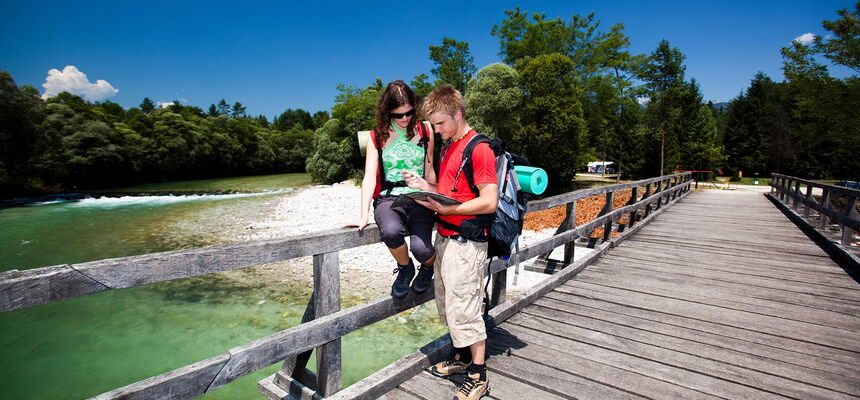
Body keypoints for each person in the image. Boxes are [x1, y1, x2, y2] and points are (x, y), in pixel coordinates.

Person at [403, 84, 497, 400]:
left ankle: (478, 374)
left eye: (441, 123)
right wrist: (423, 184)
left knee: (466, 306)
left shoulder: (479, 148)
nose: (438, 130)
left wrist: (449, 209)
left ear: (457, 114)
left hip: (467, 243)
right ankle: (461, 357)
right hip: (445, 239)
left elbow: (489, 201)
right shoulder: (450, 146)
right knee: (448, 303)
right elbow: (448, 187)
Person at [344, 80, 437, 299]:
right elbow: (368, 178)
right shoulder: (376, 136)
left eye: (409, 112)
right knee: (391, 232)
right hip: (388, 199)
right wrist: (361, 216)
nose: (405, 119)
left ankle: (427, 268)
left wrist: (436, 198)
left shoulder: (426, 131)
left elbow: (430, 170)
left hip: (420, 198)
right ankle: (405, 268)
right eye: (398, 115)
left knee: (422, 250)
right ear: (388, 112)